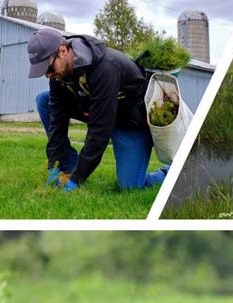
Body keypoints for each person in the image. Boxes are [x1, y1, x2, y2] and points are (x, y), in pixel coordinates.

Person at [27, 28, 167, 191]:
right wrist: (54, 162)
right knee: (45, 99)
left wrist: (77, 178)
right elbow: (56, 121)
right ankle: (70, 166)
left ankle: (172, 172)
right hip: (98, 110)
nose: (48, 75)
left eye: (49, 69)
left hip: (129, 122)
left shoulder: (105, 68)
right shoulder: (60, 75)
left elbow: (99, 130)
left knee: (130, 187)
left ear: (63, 51)